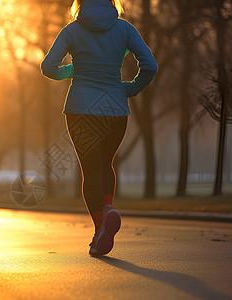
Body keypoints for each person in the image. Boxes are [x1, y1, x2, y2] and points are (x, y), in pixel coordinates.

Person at [40, 0, 157, 256]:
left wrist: (73, 70)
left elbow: (48, 67)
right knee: (106, 165)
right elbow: (150, 66)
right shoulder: (124, 29)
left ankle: (100, 228)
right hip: (115, 108)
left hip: (81, 109)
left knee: (90, 170)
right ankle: (108, 209)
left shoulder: (72, 30)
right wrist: (129, 88)